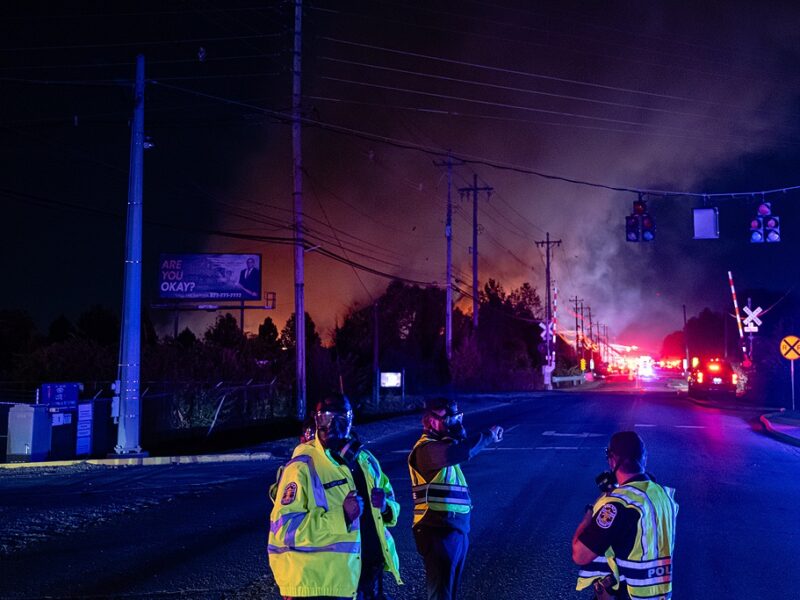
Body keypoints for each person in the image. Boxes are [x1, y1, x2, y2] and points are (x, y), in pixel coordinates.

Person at [268, 394, 401, 599]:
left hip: (367, 578)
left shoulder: (366, 460)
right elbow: (284, 528)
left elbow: (391, 499)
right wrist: (342, 517)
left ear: (350, 420)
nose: (333, 426)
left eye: (341, 418)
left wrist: (385, 507)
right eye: (326, 418)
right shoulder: (302, 466)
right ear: (316, 420)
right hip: (325, 585)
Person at [407, 397, 503, 600]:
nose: (456, 424)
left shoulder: (441, 446)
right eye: (449, 419)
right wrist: (488, 436)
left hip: (453, 529)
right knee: (441, 593)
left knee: (449, 592)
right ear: (432, 421)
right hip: (437, 529)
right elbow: (461, 451)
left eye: (457, 417)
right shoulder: (427, 450)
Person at [572, 431, 678, 600]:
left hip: (630, 594)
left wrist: (590, 512)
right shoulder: (662, 494)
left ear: (612, 460)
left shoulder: (618, 505)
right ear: (644, 458)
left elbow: (580, 554)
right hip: (659, 594)